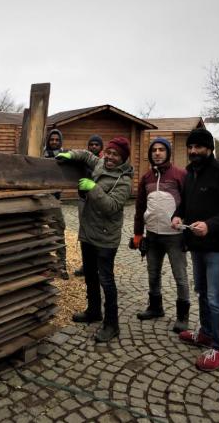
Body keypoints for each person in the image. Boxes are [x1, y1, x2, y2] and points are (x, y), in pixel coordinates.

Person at [172, 128, 219, 371]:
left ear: (210, 149)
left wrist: (210, 225)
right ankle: (205, 333)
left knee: (216, 298)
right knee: (203, 292)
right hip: (196, 246)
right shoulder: (190, 173)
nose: (193, 151)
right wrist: (178, 216)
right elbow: (185, 203)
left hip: (217, 246)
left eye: (199, 147)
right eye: (191, 147)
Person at [56, 137, 133, 342]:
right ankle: (93, 311)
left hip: (106, 238)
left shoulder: (124, 181)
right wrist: (70, 154)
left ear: (123, 159)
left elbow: (111, 206)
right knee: (90, 275)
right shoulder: (100, 162)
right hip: (89, 233)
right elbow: (87, 155)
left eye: (115, 155)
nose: (109, 157)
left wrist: (93, 188)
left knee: (106, 280)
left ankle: (111, 324)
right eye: (108, 152)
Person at [133, 137, 190, 333]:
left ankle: (183, 316)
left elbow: (189, 203)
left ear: (167, 153)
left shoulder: (180, 175)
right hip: (153, 235)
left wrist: (187, 229)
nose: (157, 153)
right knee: (153, 273)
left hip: (175, 236)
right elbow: (140, 207)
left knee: (180, 276)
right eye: (154, 150)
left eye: (161, 150)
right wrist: (138, 234)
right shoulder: (146, 178)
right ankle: (155, 307)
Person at [73, 134, 105, 277]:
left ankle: (99, 264)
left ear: (101, 147)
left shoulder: (104, 163)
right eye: (91, 144)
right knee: (84, 231)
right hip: (83, 200)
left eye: (96, 144)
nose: (93, 147)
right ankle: (86, 264)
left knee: (97, 230)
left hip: (97, 201)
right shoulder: (83, 161)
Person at [42, 129, 70, 280]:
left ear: (60, 141)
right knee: (41, 232)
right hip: (41, 199)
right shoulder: (42, 155)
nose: (54, 142)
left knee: (59, 230)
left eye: (56, 140)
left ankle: (62, 264)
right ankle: (45, 264)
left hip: (55, 200)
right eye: (51, 139)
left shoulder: (64, 157)